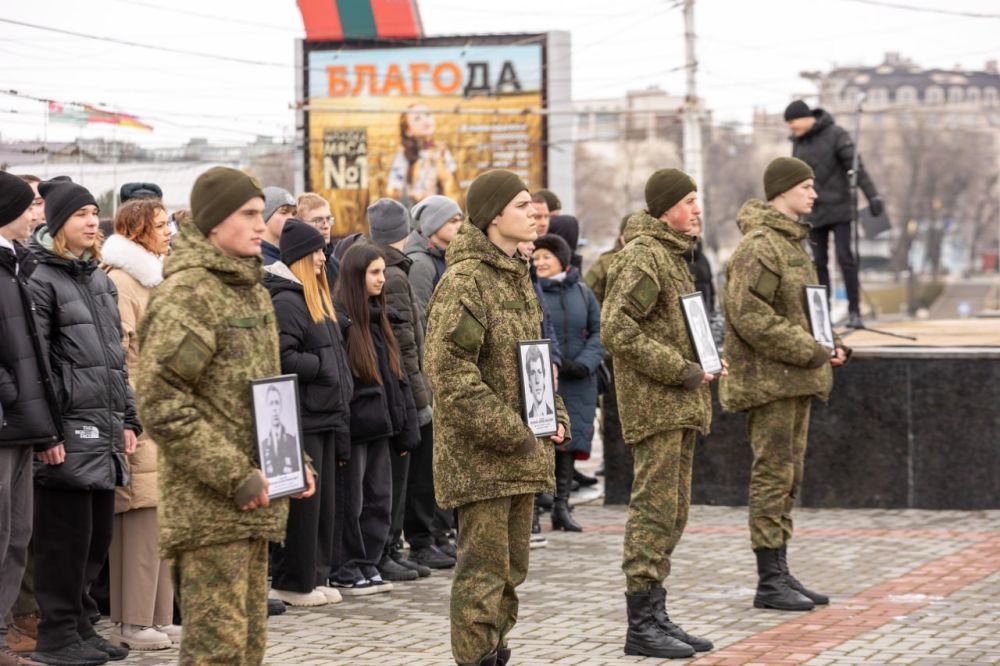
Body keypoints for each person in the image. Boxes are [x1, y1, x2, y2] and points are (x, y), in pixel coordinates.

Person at [136, 167, 314, 665]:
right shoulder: (190, 294)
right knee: (218, 652)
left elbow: (260, 396)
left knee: (246, 649)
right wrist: (236, 475)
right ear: (214, 223)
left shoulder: (248, 287)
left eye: (262, 213)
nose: (262, 225)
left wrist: (289, 461)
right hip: (211, 508)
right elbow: (163, 401)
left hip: (253, 501)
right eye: (249, 214)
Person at [424, 169, 570, 666]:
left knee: (510, 573)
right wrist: (515, 433)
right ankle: (476, 658)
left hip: (521, 454)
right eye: (522, 205)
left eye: (533, 204)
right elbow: (449, 375)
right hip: (483, 461)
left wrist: (555, 415)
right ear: (493, 216)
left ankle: (494, 653)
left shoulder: (516, 274)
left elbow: (535, 360)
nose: (534, 213)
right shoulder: (466, 281)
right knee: (482, 578)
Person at [721, 156, 850, 612]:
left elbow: (804, 312)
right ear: (781, 191)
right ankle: (768, 580)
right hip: (769, 383)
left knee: (788, 475)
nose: (814, 194)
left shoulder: (794, 243)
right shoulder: (760, 246)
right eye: (806, 186)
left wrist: (830, 342)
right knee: (772, 476)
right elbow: (750, 315)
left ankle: (781, 570)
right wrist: (811, 349)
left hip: (796, 380)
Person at [602, 168, 721, 659]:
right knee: (653, 513)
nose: (697, 209)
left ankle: (656, 613)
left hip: (681, 404)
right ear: (666, 207)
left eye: (698, 199)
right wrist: (681, 369)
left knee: (672, 513)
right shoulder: (644, 258)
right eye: (689, 200)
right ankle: (641, 623)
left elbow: (671, 326)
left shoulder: (672, 258)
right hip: (658, 406)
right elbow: (617, 329)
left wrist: (705, 361)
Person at [27, 178, 141, 666]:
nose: (93, 222)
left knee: (97, 536)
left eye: (96, 212)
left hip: (106, 427)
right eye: (81, 215)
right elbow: (38, 364)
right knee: (64, 541)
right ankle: (56, 636)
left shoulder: (97, 278)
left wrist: (130, 418)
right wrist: (49, 430)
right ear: (57, 224)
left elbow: (117, 359)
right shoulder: (40, 279)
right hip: (68, 431)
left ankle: (81, 626)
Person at [100, 198, 178, 651]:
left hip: (162, 409)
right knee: (140, 519)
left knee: (161, 519)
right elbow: (121, 359)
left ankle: (159, 617)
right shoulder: (122, 282)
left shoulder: (154, 276)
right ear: (135, 230)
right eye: (161, 224)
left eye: (169, 223)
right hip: (141, 414)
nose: (169, 231)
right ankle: (131, 621)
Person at [264, 219, 353, 608]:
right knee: (303, 506)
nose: (323, 257)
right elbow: (281, 357)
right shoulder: (286, 300)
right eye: (316, 251)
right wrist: (321, 367)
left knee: (324, 506)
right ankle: (293, 580)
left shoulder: (313, 296)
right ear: (300, 256)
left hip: (325, 412)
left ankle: (315, 574)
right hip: (303, 414)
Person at [330, 244, 419, 595]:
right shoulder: (344, 321)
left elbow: (399, 378)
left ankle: (369, 560)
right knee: (353, 500)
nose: (382, 279)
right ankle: (347, 565)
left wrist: (405, 425)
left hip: (382, 425)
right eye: (375, 273)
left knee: (380, 497)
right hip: (357, 427)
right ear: (356, 276)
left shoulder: (381, 317)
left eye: (383, 272)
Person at [0, 172, 61, 666]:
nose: (34, 213)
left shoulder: (14, 264)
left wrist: (41, 422)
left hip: (21, 424)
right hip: (5, 422)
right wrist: (13, 395)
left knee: (18, 535)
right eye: (27, 205)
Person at [365, 199, 444, 578]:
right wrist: (419, 397)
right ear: (406, 230)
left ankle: (396, 547)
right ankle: (393, 547)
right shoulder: (394, 274)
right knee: (400, 479)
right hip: (405, 392)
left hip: (404, 389)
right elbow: (406, 344)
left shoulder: (395, 269)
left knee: (402, 478)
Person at [784, 99, 883, 329]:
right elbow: (794, 181)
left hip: (840, 208)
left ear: (806, 117)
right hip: (813, 211)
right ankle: (823, 316)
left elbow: (856, 167)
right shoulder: (798, 144)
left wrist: (873, 197)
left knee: (846, 258)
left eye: (792, 121)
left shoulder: (836, 134)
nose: (790, 126)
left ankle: (855, 311)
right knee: (818, 263)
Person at [533, 233, 604, 533]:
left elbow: (600, 332)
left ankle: (561, 506)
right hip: (547, 379)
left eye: (546, 257)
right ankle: (535, 510)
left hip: (579, 381)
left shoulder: (583, 293)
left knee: (570, 444)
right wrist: (556, 362)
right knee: (540, 445)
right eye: (535, 258)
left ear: (561, 259)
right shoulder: (533, 291)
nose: (540, 263)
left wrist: (584, 363)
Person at [388, 103, 459, 205]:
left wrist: (439, 161)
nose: (426, 121)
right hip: (413, 211)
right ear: (408, 130)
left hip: (438, 210)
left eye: (428, 114)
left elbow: (450, 184)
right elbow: (393, 189)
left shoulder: (442, 150)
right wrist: (411, 194)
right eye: (417, 118)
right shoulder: (404, 154)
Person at [405, 195, 463, 313]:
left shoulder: (448, 255)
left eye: (460, 220)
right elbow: (420, 317)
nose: (460, 226)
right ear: (433, 224)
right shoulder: (420, 264)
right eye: (453, 221)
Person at [296, 192, 340, 289]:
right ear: (300, 225)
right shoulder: (293, 266)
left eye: (328, 219)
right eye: (318, 220)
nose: (326, 226)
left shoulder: (336, 266)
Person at [259, 386, 300, 477]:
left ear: (281, 406)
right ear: (267, 407)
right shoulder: (262, 445)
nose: (275, 408)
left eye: (277, 403)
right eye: (271, 403)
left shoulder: (292, 441)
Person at [260, 186, 297, 266]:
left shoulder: (290, 257)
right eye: (284, 212)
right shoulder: (259, 263)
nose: (291, 218)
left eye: (293, 214)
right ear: (265, 216)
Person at [524, 345, 553, 419]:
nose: (537, 380)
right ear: (529, 380)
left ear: (544, 376)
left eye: (540, 372)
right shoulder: (525, 419)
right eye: (533, 373)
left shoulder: (554, 416)